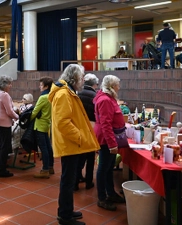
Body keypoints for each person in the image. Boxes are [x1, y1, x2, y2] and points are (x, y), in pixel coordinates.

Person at [48, 64, 100, 225]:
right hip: (70, 144)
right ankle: (65, 216)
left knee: (69, 181)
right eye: (82, 76)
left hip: (71, 144)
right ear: (74, 77)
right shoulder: (64, 94)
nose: (83, 79)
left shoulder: (68, 92)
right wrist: (79, 137)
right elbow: (63, 122)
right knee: (68, 181)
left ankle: (67, 210)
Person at [93, 75, 126, 211]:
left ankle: (111, 193)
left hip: (108, 137)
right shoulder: (105, 100)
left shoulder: (107, 97)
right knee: (103, 169)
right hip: (107, 139)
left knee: (108, 168)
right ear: (112, 86)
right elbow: (106, 124)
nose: (119, 87)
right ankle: (102, 198)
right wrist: (112, 144)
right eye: (117, 84)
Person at [75, 73, 99, 190]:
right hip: (91, 128)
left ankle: (76, 179)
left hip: (78, 127)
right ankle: (89, 181)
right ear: (95, 84)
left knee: (79, 156)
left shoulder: (77, 93)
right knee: (90, 157)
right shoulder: (95, 95)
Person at [0, 75, 19, 177]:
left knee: (1, 145)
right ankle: (1, 170)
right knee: (5, 146)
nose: (10, 86)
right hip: (4, 123)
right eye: (9, 84)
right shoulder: (5, 95)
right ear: (4, 84)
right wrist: (17, 117)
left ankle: (0, 167)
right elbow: (9, 111)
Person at [32, 77, 54, 179]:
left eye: (41, 85)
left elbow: (35, 111)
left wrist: (28, 119)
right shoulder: (52, 95)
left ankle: (45, 170)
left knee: (44, 148)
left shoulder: (43, 97)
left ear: (46, 86)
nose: (39, 87)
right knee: (48, 147)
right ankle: (50, 167)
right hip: (47, 123)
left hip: (40, 124)